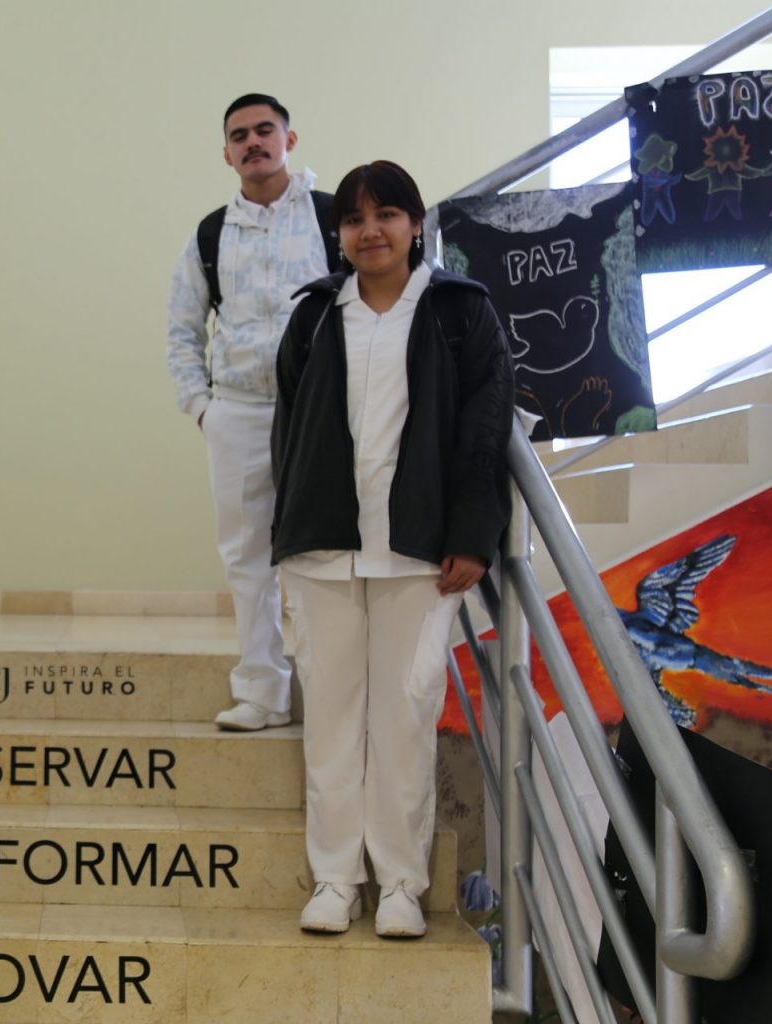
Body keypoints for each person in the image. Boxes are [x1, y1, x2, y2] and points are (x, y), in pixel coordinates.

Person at [271, 160, 513, 938]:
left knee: (407, 713)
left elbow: (485, 429)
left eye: (386, 215)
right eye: (353, 219)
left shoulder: (460, 311)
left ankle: (402, 884)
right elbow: (287, 433)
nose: (369, 231)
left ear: (415, 225)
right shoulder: (314, 315)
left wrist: (473, 535)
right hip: (322, 550)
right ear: (338, 235)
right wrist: (287, 532)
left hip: (420, 551)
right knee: (332, 718)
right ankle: (336, 880)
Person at [165, 93, 339, 732]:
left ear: (290, 140)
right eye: (239, 136)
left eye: (265, 130)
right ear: (226, 154)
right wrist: (202, 408)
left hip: (321, 412)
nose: (253, 142)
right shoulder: (210, 235)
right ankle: (262, 693)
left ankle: (330, 690)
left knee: (323, 555)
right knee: (246, 558)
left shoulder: (332, 218)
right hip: (236, 413)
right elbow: (182, 329)